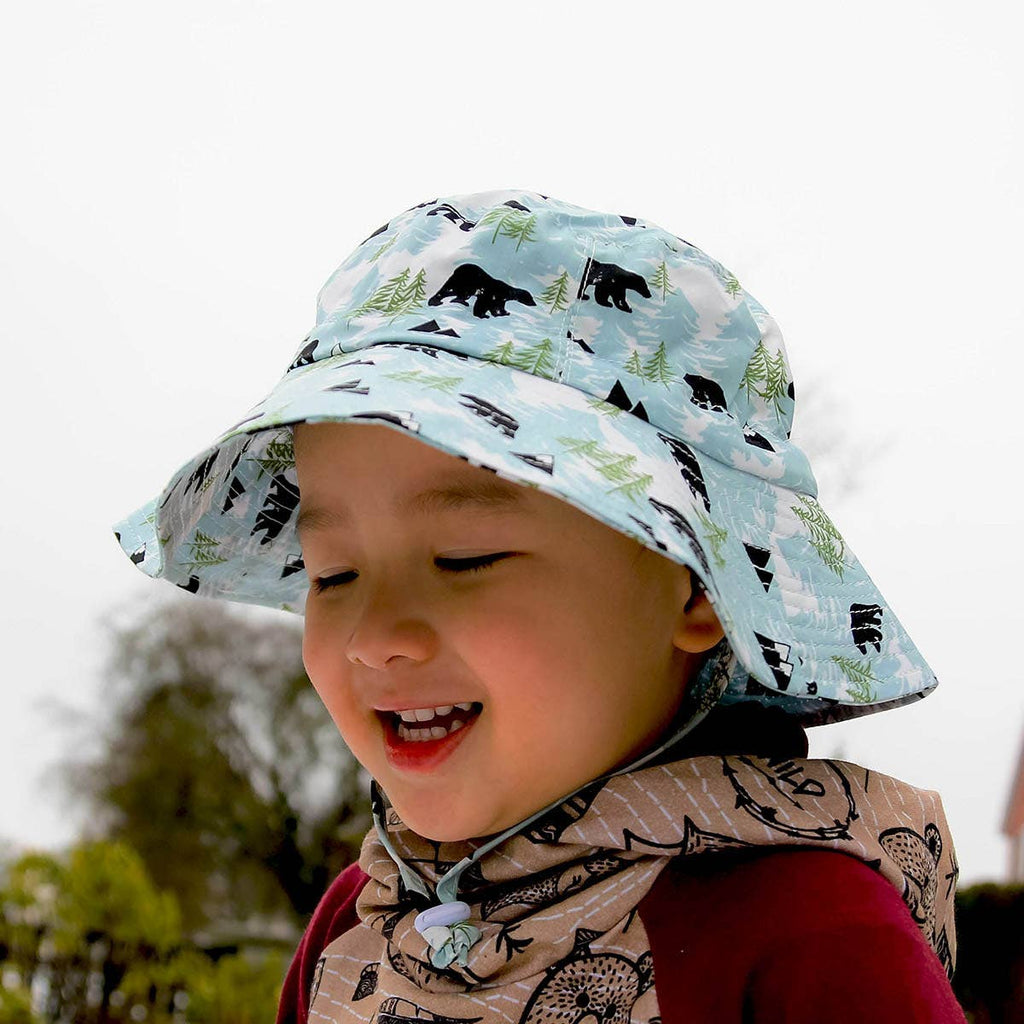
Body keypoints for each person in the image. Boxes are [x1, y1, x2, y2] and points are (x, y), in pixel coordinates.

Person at [114, 189, 967, 1022]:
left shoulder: (805, 933)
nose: (374, 638)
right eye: (332, 575)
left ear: (701, 587)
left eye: (465, 559)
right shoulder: (357, 925)